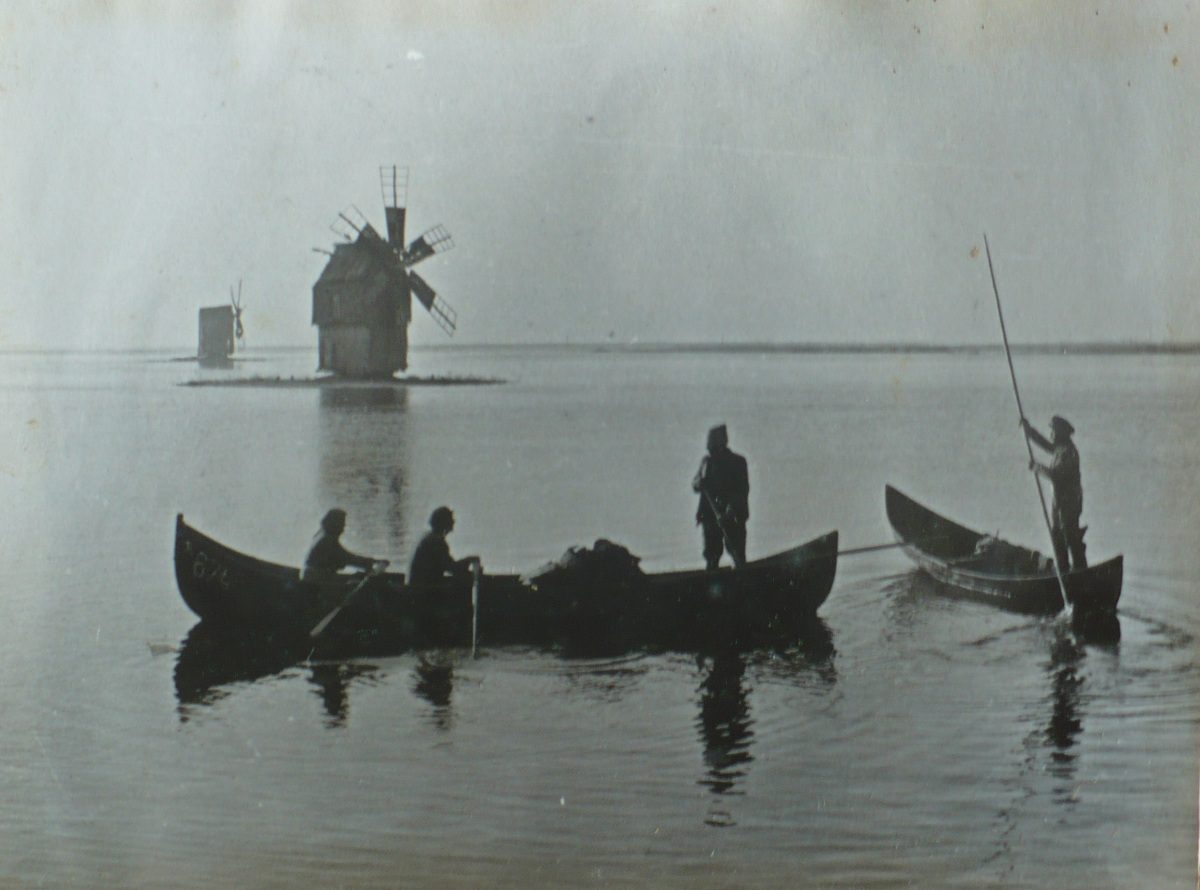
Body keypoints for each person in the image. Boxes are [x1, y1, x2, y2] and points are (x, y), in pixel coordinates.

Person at [1022, 414, 1087, 572]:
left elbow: (1057, 476)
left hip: (1069, 504)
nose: (1050, 434)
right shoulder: (1060, 449)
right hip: (1059, 504)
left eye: (1052, 431)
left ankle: (1080, 572)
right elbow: (1047, 445)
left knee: (1069, 537)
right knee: (1057, 537)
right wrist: (1029, 431)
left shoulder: (1069, 453)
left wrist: (1038, 468)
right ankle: (1063, 571)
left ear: (1060, 433)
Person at [691, 424, 750, 570]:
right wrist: (699, 482)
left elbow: (741, 490)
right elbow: (695, 484)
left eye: (712, 445)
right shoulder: (706, 462)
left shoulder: (737, 462)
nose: (709, 449)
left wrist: (730, 512)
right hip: (710, 516)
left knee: (737, 552)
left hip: (732, 516)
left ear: (722, 445)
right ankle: (712, 578)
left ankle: (743, 578)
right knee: (711, 555)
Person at [302, 508, 387, 583]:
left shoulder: (321, 535)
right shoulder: (327, 541)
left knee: (357, 578)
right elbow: (348, 558)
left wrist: (371, 562)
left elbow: (346, 557)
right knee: (360, 582)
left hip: (311, 576)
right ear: (334, 524)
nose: (343, 528)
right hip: (316, 580)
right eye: (342, 524)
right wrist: (374, 562)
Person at [408, 506, 480, 589]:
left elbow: (449, 565)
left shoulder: (428, 537)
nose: (453, 521)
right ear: (444, 522)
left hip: (416, 586)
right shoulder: (436, 542)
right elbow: (453, 568)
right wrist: (469, 560)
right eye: (450, 519)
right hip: (422, 591)